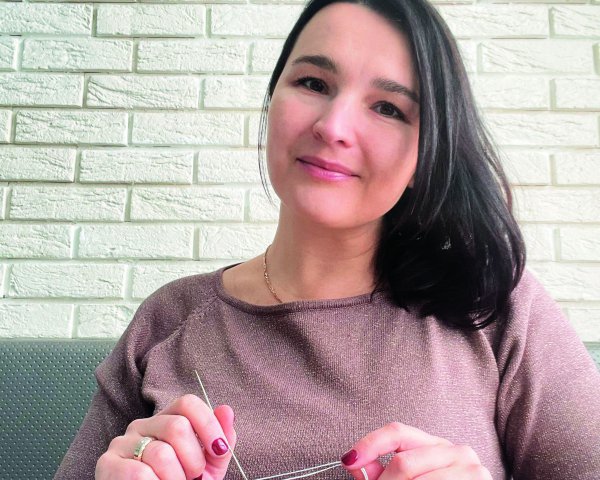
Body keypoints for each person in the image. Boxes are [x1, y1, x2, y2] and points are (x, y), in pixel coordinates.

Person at [54, 0, 600, 478]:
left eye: (388, 108)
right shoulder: (168, 320)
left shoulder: (496, 306)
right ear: (272, 100)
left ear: (425, 155)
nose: (334, 126)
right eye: (313, 84)